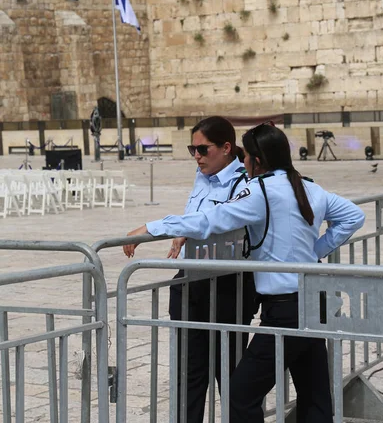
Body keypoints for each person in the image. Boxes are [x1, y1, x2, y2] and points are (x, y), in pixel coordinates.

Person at [124, 122, 365, 422]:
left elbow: (210, 220)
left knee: (240, 391)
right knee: (315, 395)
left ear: (257, 160)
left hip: (285, 310)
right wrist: (314, 252)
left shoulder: (260, 192)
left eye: (246, 156)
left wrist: (151, 227)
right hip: (313, 303)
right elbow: (354, 216)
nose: (243, 162)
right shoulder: (309, 187)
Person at [125, 116, 257, 423]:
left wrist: (158, 227)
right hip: (192, 282)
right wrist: (185, 231)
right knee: (190, 373)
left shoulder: (244, 183)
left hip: (227, 286)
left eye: (202, 149)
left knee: (231, 372)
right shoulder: (204, 176)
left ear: (226, 148)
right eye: (191, 149)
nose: (196, 156)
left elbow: (214, 220)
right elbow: (197, 218)